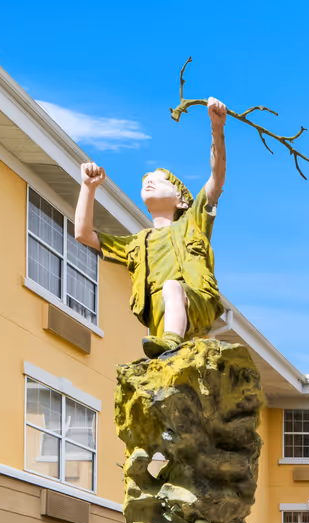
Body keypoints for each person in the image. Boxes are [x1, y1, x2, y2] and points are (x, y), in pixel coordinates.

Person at [73, 97, 229, 359]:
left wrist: (217, 128)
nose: (150, 182)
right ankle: (167, 345)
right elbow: (83, 234)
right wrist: (88, 188)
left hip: (195, 303)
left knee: (172, 287)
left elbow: (217, 179)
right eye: (147, 180)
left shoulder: (192, 223)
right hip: (158, 319)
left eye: (160, 181)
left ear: (180, 199)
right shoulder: (137, 243)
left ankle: (171, 340)